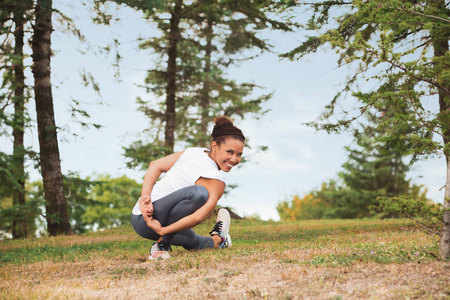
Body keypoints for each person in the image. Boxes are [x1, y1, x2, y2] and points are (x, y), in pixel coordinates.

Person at [131, 116, 245, 259]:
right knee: (200, 193)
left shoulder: (196, 154)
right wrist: (145, 198)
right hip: (147, 216)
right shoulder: (199, 159)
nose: (234, 159)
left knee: (194, 241)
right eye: (230, 152)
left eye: (239, 154)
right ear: (215, 146)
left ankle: (220, 240)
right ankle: (162, 244)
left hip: (155, 224)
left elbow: (198, 217)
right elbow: (156, 165)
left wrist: (163, 229)